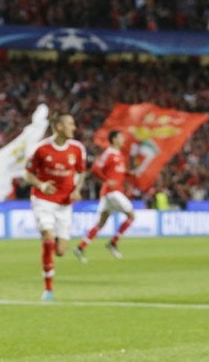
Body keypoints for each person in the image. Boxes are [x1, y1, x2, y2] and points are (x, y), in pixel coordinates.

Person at [23, 113, 87, 301]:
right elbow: (27, 174)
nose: (74, 127)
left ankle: (51, 246)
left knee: (60, 251)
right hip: (43, 200)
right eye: (70, 124)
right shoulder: (41, 149)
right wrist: (41, 185)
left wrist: (77, 189)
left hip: (65, 204)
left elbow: (81, 173)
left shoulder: (77, 149)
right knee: (49, 239)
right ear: (59, 126)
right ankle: (48, 290)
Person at [73, 129, 136, 262]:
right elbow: (96, 168)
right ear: (114, 139)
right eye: (120, 137)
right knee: (131, 216)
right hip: (112, 192)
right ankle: (113, 243)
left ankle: (80, 247)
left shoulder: (119, 155)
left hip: (111, 193)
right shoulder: (109, 153)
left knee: (100, 223)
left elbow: (119, 173)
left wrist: (130, 174)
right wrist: (106, 180)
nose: (123, 140)